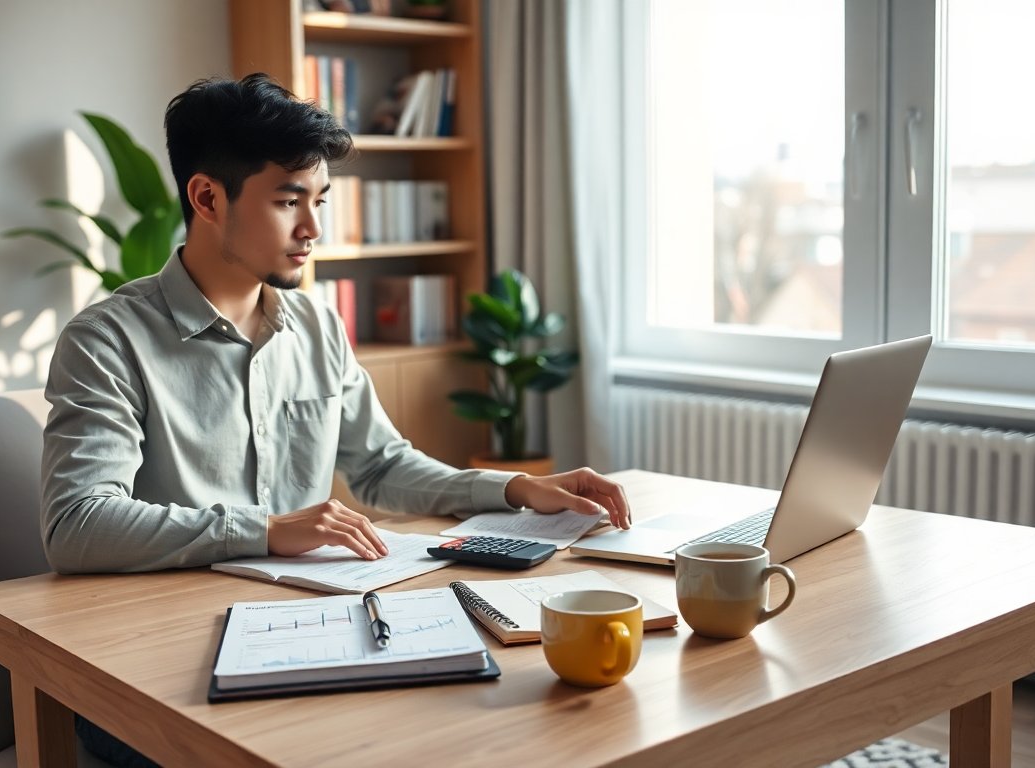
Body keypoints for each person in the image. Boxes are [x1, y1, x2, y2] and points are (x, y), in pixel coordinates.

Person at [39, 71, 633, 767]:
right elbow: (76, 525)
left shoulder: (317, 327)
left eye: (318, 200)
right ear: (207, 198)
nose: (313, 229)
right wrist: (266, 531)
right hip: (152, 666)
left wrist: (514, 488)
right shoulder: (106, 341)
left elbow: (381, 466)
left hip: (307, 629)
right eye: (288, 201)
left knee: (475, 727)